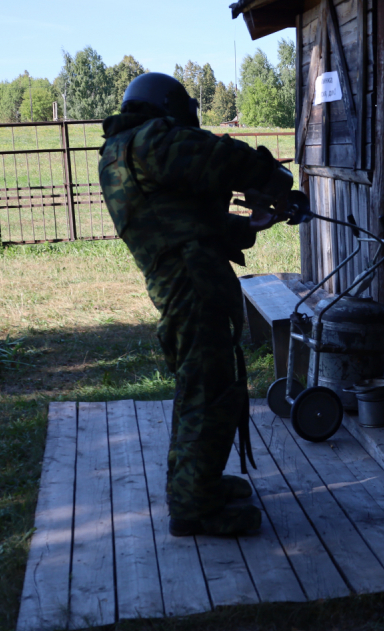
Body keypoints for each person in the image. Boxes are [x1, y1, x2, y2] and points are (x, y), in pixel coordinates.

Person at [98, 72, 293, 536]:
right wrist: (271, 177)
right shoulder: (148, 141)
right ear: (167, 109)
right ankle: (195, 507)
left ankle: (195, 485)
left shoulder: (122, 152)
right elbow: (213, 155)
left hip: (185, 286)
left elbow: (182, 221)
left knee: (200, 390)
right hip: (193, 289)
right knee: (209, 393)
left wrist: (252, 224)